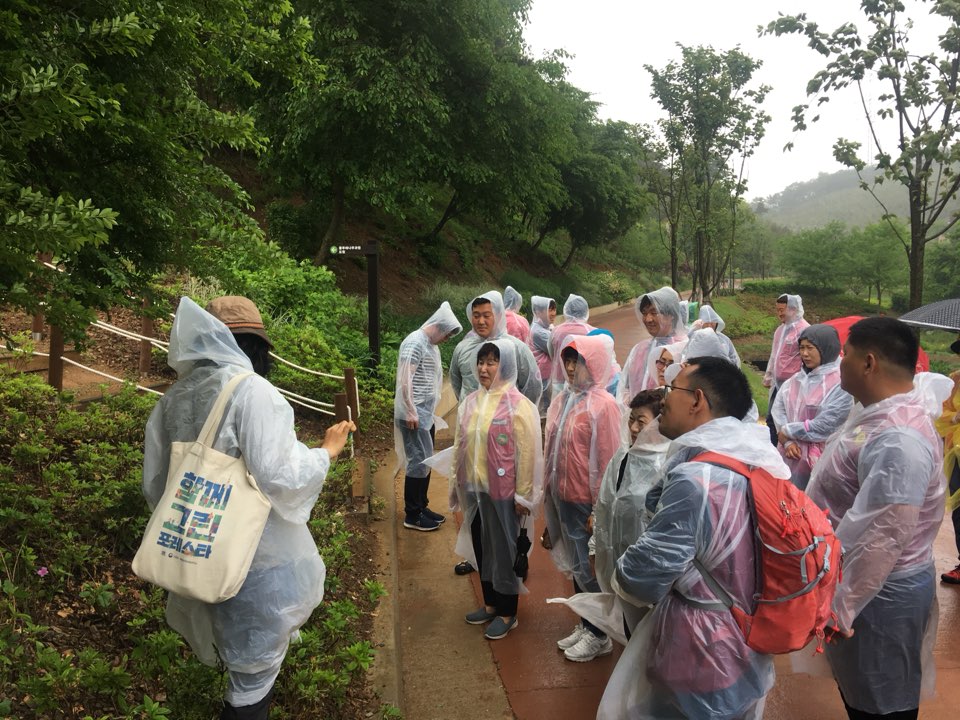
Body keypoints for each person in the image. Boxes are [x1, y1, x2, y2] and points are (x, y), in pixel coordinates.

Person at [143, 296, 355, 720]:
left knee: (239, 664)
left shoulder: (176, 397)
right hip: (255, 559)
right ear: (256, 346)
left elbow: (156, 483)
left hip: (198, 549)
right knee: (252, 679)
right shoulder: (252, 391)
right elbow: (280, 476)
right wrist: (326, 452)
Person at [600, 356, 788, 720]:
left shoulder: (697, 479)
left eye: (673, 389)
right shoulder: (757, 461)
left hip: (701, 650)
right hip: (745, 638)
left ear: (698, 400)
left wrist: (617, 566)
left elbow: (642, 576)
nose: (665, 398)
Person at [806, 317, 951, 720]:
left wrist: (841, 605)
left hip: (878, 594)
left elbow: (882, 535)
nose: (840, 365)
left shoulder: (898, 439)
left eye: (846, 356)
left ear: (869, 363)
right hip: (863, 585)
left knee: (882, 705)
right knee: (862, 692)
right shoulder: (879, 415)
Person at [450, 339, 543, 640]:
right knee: (482, 546)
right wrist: (455, 482)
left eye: (491, 362)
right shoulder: (471, 402)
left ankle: (507, 612)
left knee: (504, 549)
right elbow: (459, 444)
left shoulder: (519, 405)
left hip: (504, 492)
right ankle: (490, 603)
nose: (483, 368)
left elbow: (527, 453)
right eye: (481, 362)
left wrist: (523, 494)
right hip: (476, 490)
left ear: (505, 367)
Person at [543, 335, 621, 662]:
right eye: (569, 360)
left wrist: (599, 509)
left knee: (591, 569)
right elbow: (552, 449)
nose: (572, 368)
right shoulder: (562, 399)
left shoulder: (604, 406)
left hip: (586, 504)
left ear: (595, 364)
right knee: (577, 568)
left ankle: (599, 634)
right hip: (562, 496)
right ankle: (586, 623)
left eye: (579, 361)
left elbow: (608, 461)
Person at [590, 389, 669, 637]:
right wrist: (596, 544)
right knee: (629, 628)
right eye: (631, 419)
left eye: (641, 422)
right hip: (618, 559)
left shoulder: (665, 466)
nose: (633, 428)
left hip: (646, 572)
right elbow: (605, 503)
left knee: (650, 634)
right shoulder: (623, 457)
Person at [394, 302, 463, 531]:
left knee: (425, 460)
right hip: (413, 414)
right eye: (446, 335)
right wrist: (410, 410)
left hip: (424, 413)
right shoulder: (415, 342)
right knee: (417, 462)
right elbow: (405, 379)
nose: (446, 340)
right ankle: (412, 514)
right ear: (438, 327)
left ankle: (422, 506)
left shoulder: (428, 344)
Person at [770, 324, 852, 490]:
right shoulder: (796, 380)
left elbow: (826, 425)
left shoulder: (841, 383)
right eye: (801, 348)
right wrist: (787, 442)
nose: (805, 354)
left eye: (810, 348)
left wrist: (787, 431)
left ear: (826, 348)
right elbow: (779, 409)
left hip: (822, 460)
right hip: (790, 455)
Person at [449, 291, 541, 406]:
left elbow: (532, 387)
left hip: (505, 421)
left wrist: (519, 413)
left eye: (486, 316)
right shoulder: (462, 348)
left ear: (498, 315)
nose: (481, 321)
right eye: (476, 316)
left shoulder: (516, 348)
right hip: (470, 420)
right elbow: (456, 382)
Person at [619, 287, 687, 405]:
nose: (648, 319)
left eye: (654, 312)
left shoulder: (683, 349)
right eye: (644, 313)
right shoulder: (639, 350)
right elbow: (625, 387)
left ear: (670, 315)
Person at [763, 293, 809, 444]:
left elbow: (807, 359)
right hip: (777, 384)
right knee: (771, 418)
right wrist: (769, 375)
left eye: (782, 310)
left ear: (793, 309)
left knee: (788, 419)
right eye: (777, 310)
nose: (779, 313)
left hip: (794, 385)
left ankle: (786, 449)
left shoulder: (804, 330)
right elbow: (774, 355)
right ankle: (773, 449)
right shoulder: (780, 330)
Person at [936, 334, 960, 584]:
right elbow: (941, 412)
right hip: (956, 454)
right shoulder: (955, 380)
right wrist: (954, 417)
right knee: (959, 509)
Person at [549, 294, 594, 395]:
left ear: (566, 310)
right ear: (586, 311)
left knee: (558, 409)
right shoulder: (591, 331)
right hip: (583, 382)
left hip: (559, 380)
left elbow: (552, 353)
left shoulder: (556, 330)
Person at [528, 295, 556, 415]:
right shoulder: (539, 332)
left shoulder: (543, 328)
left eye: (554, 309)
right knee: (544, 411)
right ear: (538, 312)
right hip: (543, 378)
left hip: (543, 376)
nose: (553, 313)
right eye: (549, 309)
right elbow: (557, 349)